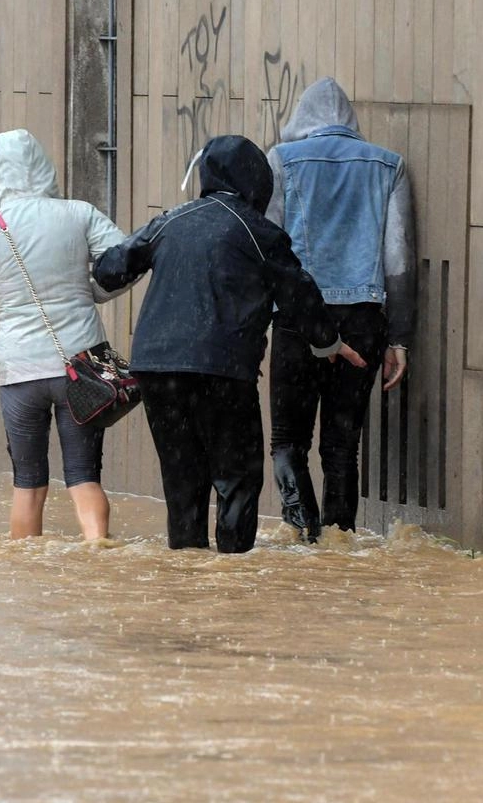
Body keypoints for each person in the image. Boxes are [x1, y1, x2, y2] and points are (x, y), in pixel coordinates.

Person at [93, 134, 365, 554]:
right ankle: (231, 574)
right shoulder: (258, 231)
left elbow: (111, 268)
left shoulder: (170, 220)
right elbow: (299, 293)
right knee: (237, 477)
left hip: (156, 369)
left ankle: (186, 574)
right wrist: (328, 343)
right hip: (220, 371)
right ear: (257, 181)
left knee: (182, 479)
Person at [0, 129, 127, 541]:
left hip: (20, 374)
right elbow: (126, 263)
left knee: (28, 482)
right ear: (43, 166)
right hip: (81, 369)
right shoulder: (79, 214)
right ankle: (99, 559)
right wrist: (91, 293)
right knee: (84, 476)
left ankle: (25, 570)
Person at [264, 77, 417, 541]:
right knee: (342, 445)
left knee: (288, 440)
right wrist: (399, 337)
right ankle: (338, 541)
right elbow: (399, 260)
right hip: (364, 317)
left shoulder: (282, 161)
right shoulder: (389, 165)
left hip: (297, 317)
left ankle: (303, 534)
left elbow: (269, 248)